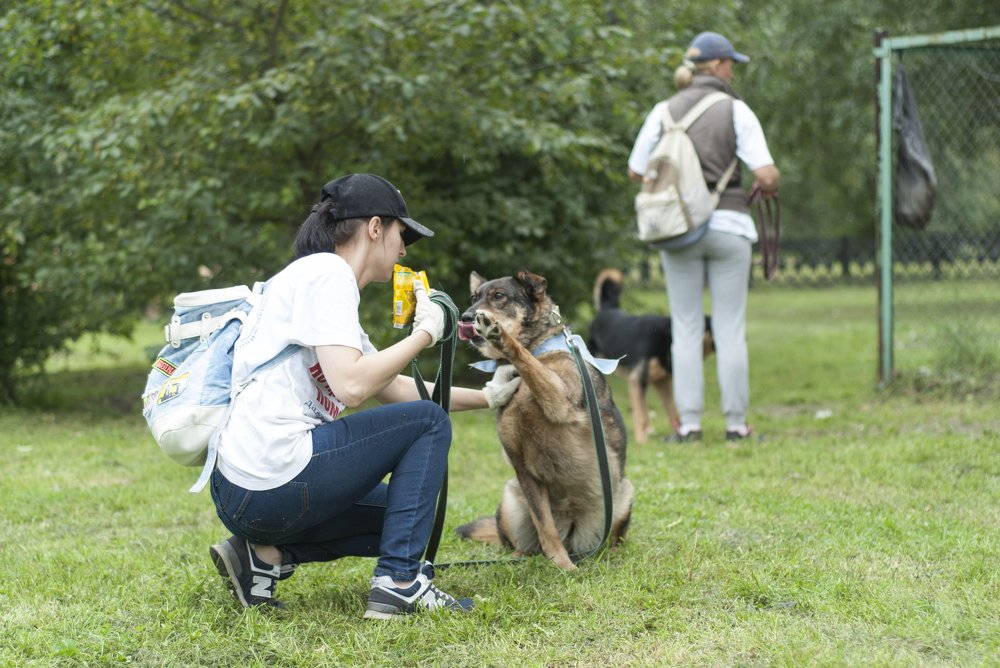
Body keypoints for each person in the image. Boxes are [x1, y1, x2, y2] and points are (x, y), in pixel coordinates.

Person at [207, 173, 521, 618]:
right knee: (427, 423)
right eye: (401, 233)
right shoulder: (328, 273)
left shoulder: (310, 281)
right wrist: (426, 334)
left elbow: (391, 386)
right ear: (375, 227)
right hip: (274, 476)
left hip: (242, 492)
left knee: (406, 520)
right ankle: (399, 583)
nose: (404, 249)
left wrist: (489, 396)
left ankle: (262, 556)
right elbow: (352, 386)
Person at [627, 32, 780, 443]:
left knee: (686, 326)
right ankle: (736, 425)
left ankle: (689, 425)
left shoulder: (663, 110)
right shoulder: (736, 110)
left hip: (679, 229)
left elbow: (636, 169)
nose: (733, 71)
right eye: (731, 63)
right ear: (717, 66)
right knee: (729, 327)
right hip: (729, 225)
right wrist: (766, 184)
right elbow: (765, 174)